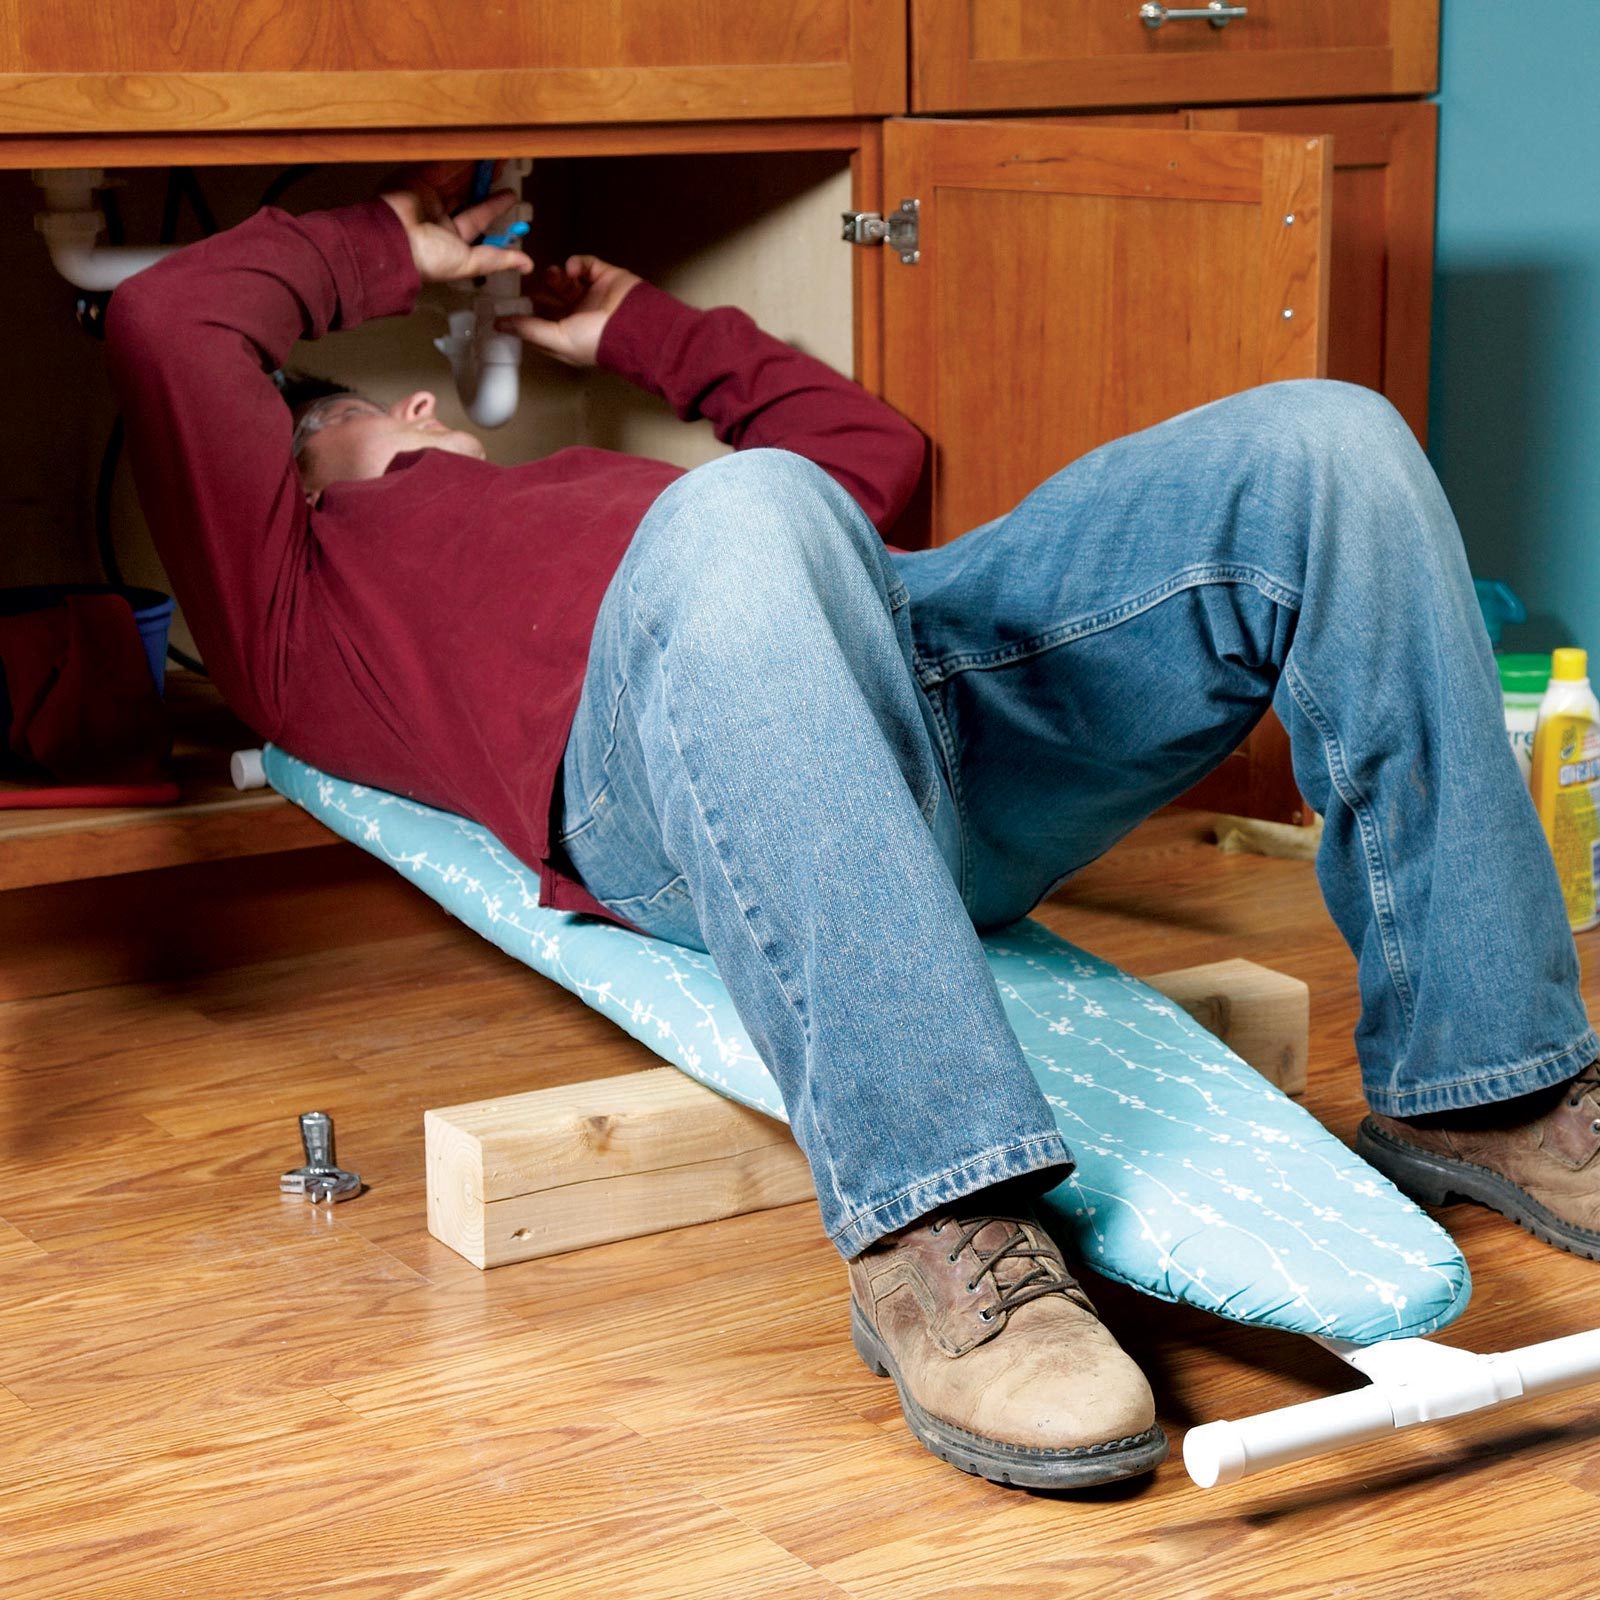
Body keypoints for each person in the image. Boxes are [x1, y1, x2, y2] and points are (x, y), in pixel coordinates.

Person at [107, 165, 1600, 1492]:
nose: (381, 415)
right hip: (692, 794)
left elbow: (866, 457)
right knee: (748, 512)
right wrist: (395, 241)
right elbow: (174, 322)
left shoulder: (641, 496)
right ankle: (949, 1237)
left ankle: (1486, 1088)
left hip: (930, 688)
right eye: (319, 421)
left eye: (365, 400)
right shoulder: (298, 611)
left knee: (1323, 444)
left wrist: (639, 328)